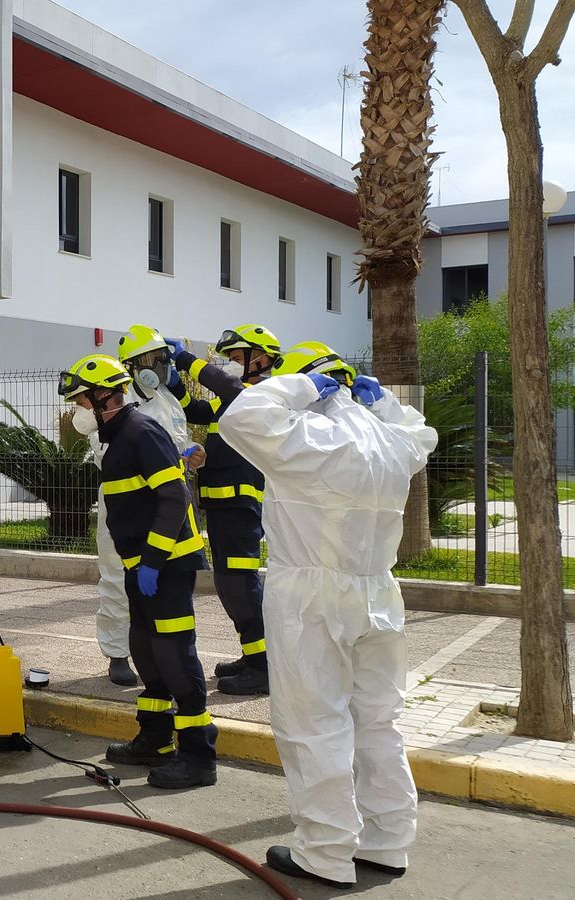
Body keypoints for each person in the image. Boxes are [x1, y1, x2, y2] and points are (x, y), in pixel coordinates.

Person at [220, 342, 435, 888]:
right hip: (377, 595)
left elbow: (240, 416)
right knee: (377, 721)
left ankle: (326, 851)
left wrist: (299, 385)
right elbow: (421, 436)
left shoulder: (305, 437)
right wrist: (382, 400)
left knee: (315, 723)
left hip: (308, 597)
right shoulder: (389, 442)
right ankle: (388, 842)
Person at [60, 355, 216, 789]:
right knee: (145, 651)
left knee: (175, 654)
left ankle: (199, 755)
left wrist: (151, 561)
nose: (79, 411)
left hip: (165, 565)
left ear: (105, 397)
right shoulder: (118, 437)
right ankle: (155, 737)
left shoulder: (142, 432)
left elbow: (173, 497)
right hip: (140, 567)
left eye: (82, 401)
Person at [170, 324, 281, 696]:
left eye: (235, 357)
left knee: (240, 585)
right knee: (229, 586)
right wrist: (173, 384)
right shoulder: (235, 398)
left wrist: (185, 359)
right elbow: (199, 411)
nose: (230, 365)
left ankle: (264, 667)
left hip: (239, 506)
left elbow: (229, 388)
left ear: (260, 359)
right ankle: (253, 657)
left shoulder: (259, 392)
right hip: (220, 503)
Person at [92, 325, 204, 687]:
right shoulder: (114, 404)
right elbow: (106, 456)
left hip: (170, 502)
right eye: (150, 360)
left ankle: (162, 652)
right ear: (132, 366)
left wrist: (191, 458)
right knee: (116, 578)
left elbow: (180, 440)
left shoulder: (168, 398)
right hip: (128, 503)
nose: (158, 366)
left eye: (161, 358)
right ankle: (117, 653)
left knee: (169, 585)